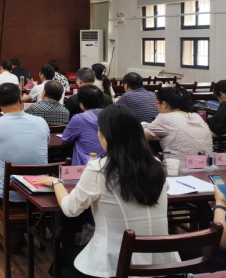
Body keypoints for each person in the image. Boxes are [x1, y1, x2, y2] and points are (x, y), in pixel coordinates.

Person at [34, 105, 179, 278]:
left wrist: (56, 183)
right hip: (163, 263)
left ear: (106, 135)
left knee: (61, 259)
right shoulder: (156, 166)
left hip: (115, 263)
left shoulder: (99, 169)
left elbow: (70, 209)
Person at [0, 83, 49, 203]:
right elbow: (45, 143)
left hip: (7, 195)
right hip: (40, 191)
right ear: (20, 99)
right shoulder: (41, 121)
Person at [144, 87, 212, 156]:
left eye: (157, 104)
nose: (156, 107)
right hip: (208, 162)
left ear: (164, 104)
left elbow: (141, 137)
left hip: (177, 162)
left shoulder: (165, 117)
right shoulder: (197, 116)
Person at [62, 85, 106, 165]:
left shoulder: (79, 119)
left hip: (85, 165)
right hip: (108, 164)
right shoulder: (111, 116)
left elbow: (65, 139)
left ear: (81, 105)